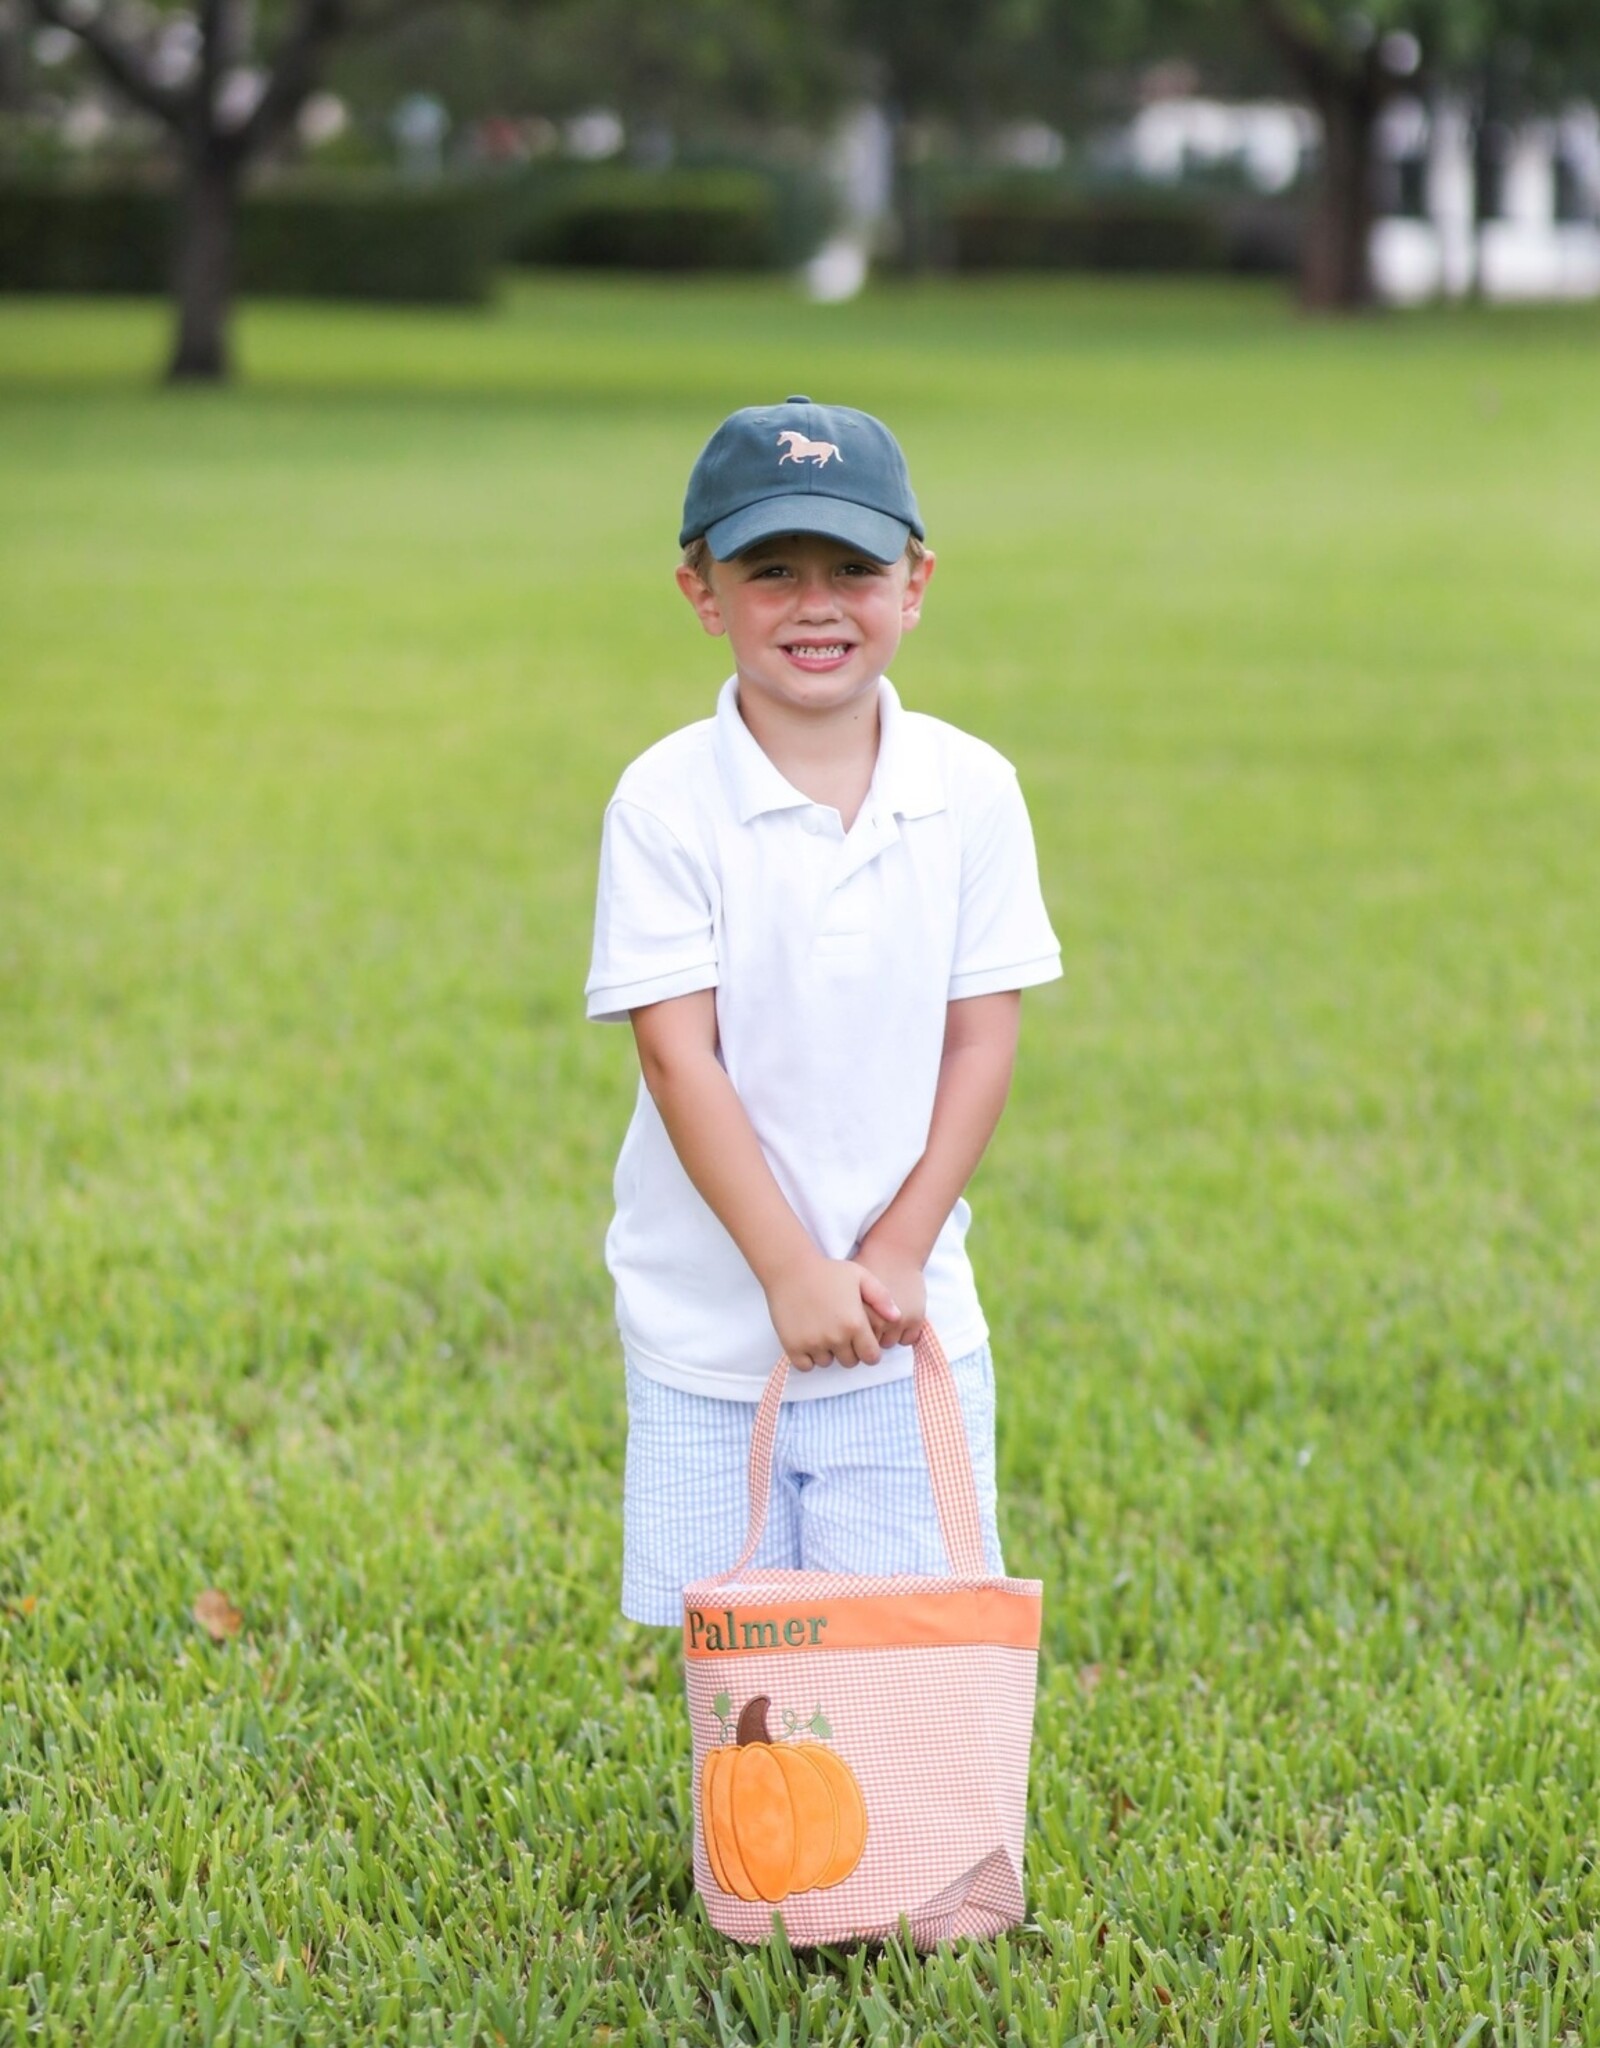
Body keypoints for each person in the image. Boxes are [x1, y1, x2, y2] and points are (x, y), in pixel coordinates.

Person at [586, 396, 1060, 1626]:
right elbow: (677, 1057)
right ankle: (744, 1832)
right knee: (741, 1648)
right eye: (771, 570)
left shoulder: (970, 789)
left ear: (916, 581)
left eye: (853, 568)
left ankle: (907, 1832)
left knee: (901, 1634)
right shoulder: (664, 800)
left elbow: (982, 1037)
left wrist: (896, 1247)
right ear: (701, 590)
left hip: (907, 1324)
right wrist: (789, 1270)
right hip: (711, 1323)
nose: (815, 602)